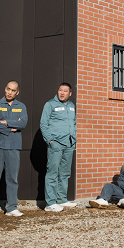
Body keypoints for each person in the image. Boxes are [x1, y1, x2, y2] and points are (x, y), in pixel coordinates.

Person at [0, 81, 28, 218]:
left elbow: (23, 123)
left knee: (12, 178)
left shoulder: (21, 106)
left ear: (17, 92)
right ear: (5, 89)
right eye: (8, 89)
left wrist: (7, 122)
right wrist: (12, 128)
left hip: (13, 146)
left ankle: (12, 207)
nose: (10, 92)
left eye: (13, 90)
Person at [41, 82, 78, 211]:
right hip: (56, 144)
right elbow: (43, 124)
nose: (62, 93)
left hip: (69, 144)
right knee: (52, 173)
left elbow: (74, 123)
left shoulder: (72, 106)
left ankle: (62, 199)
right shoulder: (50, 104)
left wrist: (74, 139)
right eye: (60, 90)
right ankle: (50, 203)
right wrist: (50, 141)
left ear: (70, 93)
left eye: (65, 91)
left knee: (65, 173)